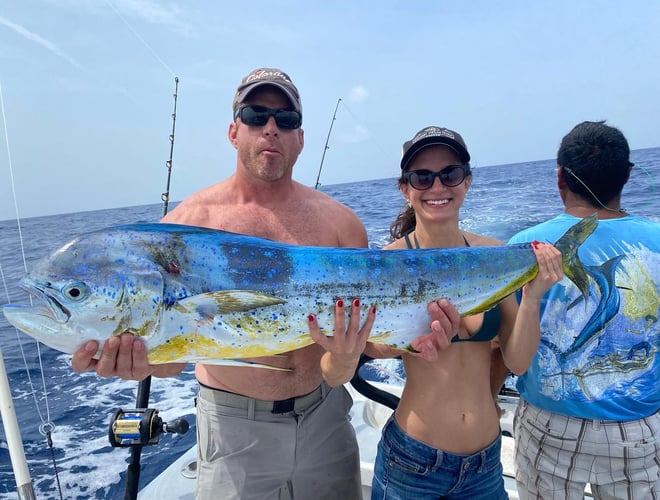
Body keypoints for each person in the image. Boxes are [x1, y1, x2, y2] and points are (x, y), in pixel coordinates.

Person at [70, 68, 458, 500]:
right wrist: (139, 362)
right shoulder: (185, 225)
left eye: (285, 119)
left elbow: (364, 338)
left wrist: (413, 337)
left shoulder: (340, 223)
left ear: (301, 138)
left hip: (325, 417)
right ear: (234, 131)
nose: (271, 127)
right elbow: (173, 359)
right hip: (236, 432)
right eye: (256, 115)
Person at [311, 125, 564, 499]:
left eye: (450, 174)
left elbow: (519, 361)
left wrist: (532, 296)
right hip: (412, 464)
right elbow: (340, 370)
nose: (437, 187)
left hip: (485, 466)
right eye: (422, 177)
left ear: (467, 181)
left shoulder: (494, 257)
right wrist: (382, 348)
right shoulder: (385, 266)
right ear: (405, 188)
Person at [505, 121, 660, 499]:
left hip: (548, 425)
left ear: (560, 177)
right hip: (638, 428)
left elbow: (513, 358)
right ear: (627, 175)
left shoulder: (525, 246)